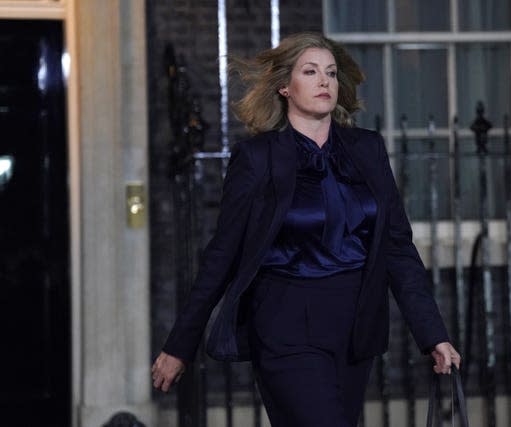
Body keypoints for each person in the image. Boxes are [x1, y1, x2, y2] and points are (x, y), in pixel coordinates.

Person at [152, 32, 461, 427]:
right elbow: (223, 254)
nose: (324, 82)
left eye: (331, 73)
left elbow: (398, 248)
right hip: (286, 326)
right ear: (285, 86)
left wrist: (433, 334)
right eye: (311, 72)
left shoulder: (366, 149)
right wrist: (180, 345)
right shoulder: (257, 158)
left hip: (354, 328)